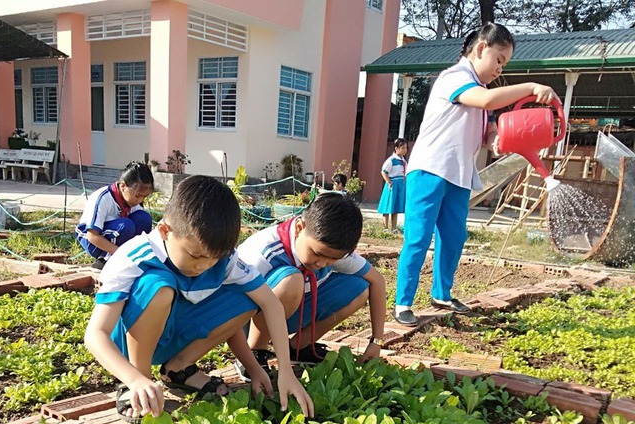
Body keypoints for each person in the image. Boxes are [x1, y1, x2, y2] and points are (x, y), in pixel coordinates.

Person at [85, 175, 314, 423]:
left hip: (174, 336)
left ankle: (179, 369)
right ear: (165, 231)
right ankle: (139, 386)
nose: (204, 266)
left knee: (246, 299)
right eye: (195, 255)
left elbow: (270, 303)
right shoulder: (135, 256)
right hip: (131, 344)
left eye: (213, 258)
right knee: (158, 287)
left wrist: (274, 371)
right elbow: (96, 334)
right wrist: (134, 378)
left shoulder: (223, 261)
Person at [392, 23, 560, 326]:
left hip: (458, 174)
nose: (499, 68)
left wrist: (496, 136)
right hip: (430, 169)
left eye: (504, 64)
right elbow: (484, 102)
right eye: (499, 60)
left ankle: (442, 293)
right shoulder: (454, 78)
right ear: (481, 48)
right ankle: (403, 302)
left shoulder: (479, 89)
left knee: (454, 237)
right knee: (418, 238)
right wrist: (531, 87)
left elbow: (485, 130)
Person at [237, 192, 387, 366]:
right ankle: (255, 352)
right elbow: (230, 306)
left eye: (333, 259)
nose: (322, 263)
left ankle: (299, 347)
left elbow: (377, 280)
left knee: (360, 288)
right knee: (292, 280)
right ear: (300, 228)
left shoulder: (332, 247)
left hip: (287, 313)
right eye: (317, 253)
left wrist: (377, 341)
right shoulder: (262, 253)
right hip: (245, 321)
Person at [76, 162, 154, 270]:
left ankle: (136, 259)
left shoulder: (133, 202)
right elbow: (92, 236)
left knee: (144, 219)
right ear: (123, 186)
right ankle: (105, 260)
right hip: (92, 240)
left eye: (144, 197)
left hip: (114, 232)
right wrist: (122, 254)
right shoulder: (103, 198)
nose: (140, 200)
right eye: (138, 196)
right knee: (126, 226)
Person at [377, 138, 408, 233]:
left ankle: (394, 228)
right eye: (402, 148)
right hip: (392, 185)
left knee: (396, 207)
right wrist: (389, 182)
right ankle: (385, 228)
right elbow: (384, 172)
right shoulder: (391, 160)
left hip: (400, 185)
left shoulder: (404, 161)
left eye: (405, 148)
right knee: (387, 206)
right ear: (396, 148)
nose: (404, 150)